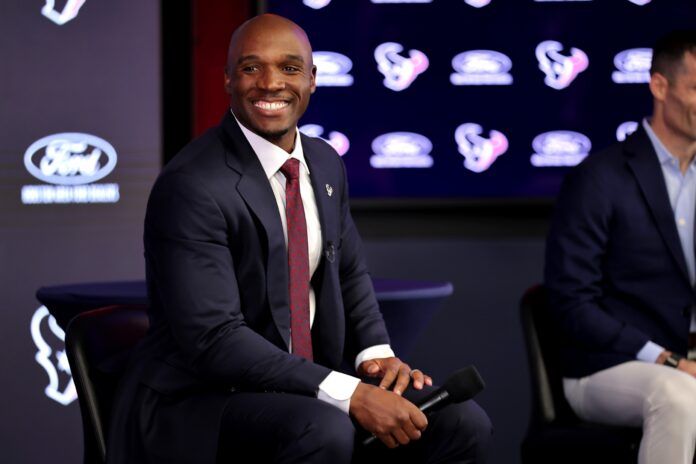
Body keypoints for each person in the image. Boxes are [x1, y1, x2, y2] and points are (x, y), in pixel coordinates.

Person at [107, 13, 492, 464]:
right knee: (323, 428)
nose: (271, 84)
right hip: (202, 401)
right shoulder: (191, 185)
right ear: (228, 78)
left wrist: (376, 356)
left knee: (462, 422)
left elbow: (348, 271)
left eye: (289, 68)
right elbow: (215, 339)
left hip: (300, 389)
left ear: (312, 79)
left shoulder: (325, 163)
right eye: (252, 68)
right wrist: (349, 393)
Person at [545, 30, 696, 464]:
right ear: (659, 86)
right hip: (605, 367)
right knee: (679, 394)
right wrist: (667, 360)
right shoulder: (599, 179)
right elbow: (571, 304)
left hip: (685, 363)